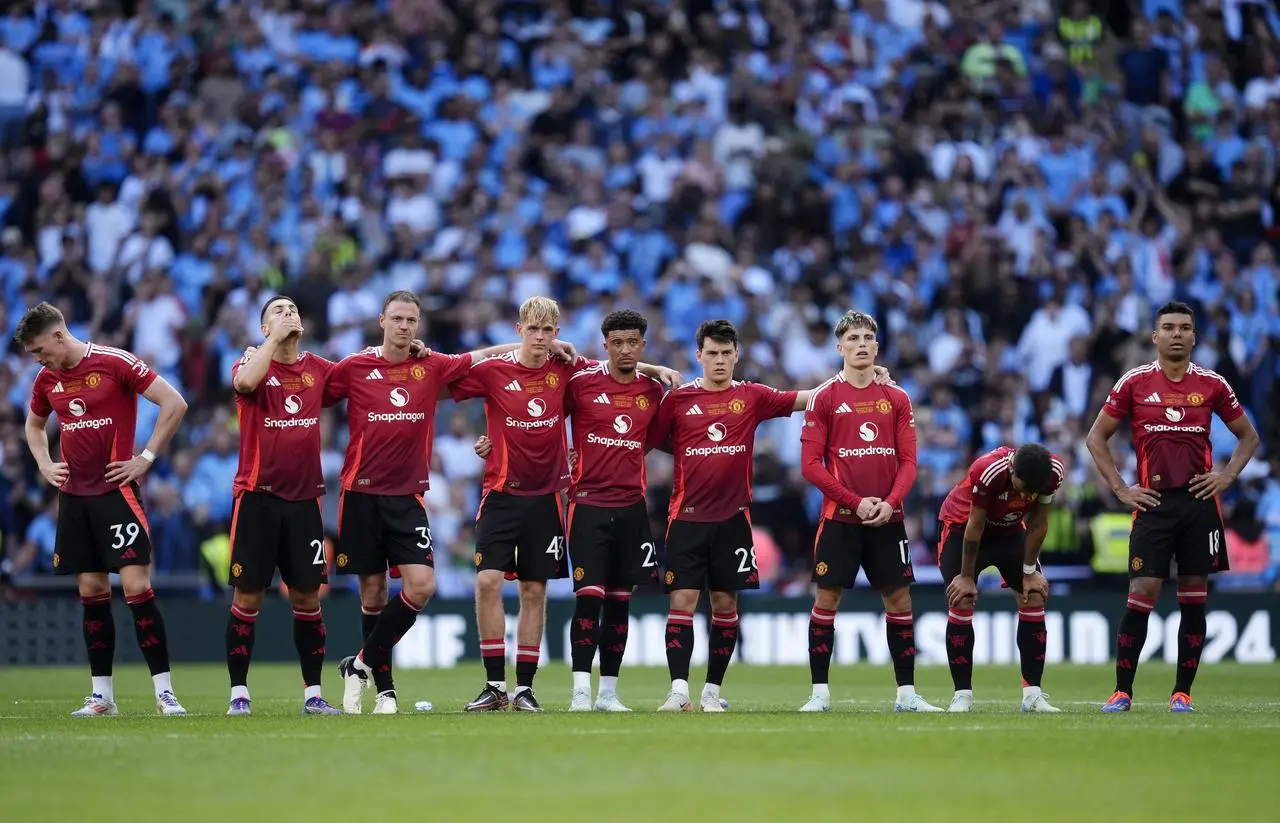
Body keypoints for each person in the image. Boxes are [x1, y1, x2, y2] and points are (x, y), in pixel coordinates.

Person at [452, 297, 674, 712]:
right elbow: (449, 379)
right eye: (532, 329)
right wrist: (489, 440)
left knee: (535, 590)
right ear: (519, 330)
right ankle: (494, 684)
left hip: (548, 497)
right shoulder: (494, 370)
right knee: (487, 582)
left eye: (547, 330)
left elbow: (614, 366)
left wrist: (654, 369)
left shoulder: (567, 370)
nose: (540, 337)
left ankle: (524, 689)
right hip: (500, 492)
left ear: (558, 333)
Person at [330, 291, 536, 714]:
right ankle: (385, 691)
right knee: (371, 592)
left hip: (407, 497)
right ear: (382, 320)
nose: (405, 326)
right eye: (398, 319)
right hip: (360, 495)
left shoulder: (430, 365)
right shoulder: (354, 367)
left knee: (422, 586)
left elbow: (478, 357)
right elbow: (312, 388)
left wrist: (531, 346)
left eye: (412, 320)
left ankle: (361, 664)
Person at [1086, 301, 1259, 713]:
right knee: (1141, 592)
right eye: (1169, 327)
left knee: (1193, 598)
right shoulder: (1134, 383)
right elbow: (1096, 438)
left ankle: (1182, 693)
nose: (1177, 334)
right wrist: (1122, 489)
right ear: (1155, 336)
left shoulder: (1213, 384)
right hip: (1153, 503)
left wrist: (1226, 476)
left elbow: (1248, 436)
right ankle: (1122, 691)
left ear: (1194, 336)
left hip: (1199, 502)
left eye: (1184, 327)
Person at [17, 301, 189, 716]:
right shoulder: (46, 380)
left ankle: (165, 693)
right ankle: (102, 697)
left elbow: (175, 403)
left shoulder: (114, 362)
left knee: (135, 588)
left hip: (117, 493)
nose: (40, 361)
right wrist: (43, 462)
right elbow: (34, 425)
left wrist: (145, 458)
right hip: (75, 498)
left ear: (59, 335)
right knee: (91, 590)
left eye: (41, 351)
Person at [649, 319, 805, 713]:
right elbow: (651, 439)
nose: (719, 360)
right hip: (686, 517)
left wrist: (857, 378)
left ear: (737, 354)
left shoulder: (752, 395)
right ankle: (679, 692)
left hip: (733, 520)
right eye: (711, 353)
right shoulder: (679, 399)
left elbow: (806, 398)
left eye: (725, 353)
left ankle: (712, 693)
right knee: (681, 602)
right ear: (698, 355)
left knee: (724, 605)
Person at [798, 311, 943, 713]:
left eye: (868, 338)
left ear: (877, 346)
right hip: (840, 520)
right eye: (853, 338)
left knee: (899, 602)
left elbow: (909, 462)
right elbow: (810, 465)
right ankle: (819, 694)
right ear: (839, 347)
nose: (861, 344)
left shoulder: (896, 397)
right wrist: (854, 501)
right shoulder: (824, 397)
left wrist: (890, 503)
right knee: (826, 601)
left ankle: (907, 695)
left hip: (887, 521)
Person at [224, 295, 341, 716]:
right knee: (249, 596)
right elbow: (244, 385)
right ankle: (239, 692)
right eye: (278, 310)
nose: (289, 312)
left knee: (308, 599)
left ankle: (314, 695)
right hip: (257, 498)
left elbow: (367, 379)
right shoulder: (251, 362)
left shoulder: (319, 369)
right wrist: (271, 343)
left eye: (293, 308)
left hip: (304, 502)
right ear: (263, 328)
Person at [938, 443, 1064, 713]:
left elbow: (1038, 523)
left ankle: (1032, 696)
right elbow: (975, 525)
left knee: (1034, 596)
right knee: (961, 600)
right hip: (963, 529)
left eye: (1032, 490)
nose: (1026, 494)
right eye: (1022, 486)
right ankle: (962, 696)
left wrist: (1029, 573)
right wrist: (967, 577)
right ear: (1012, 469)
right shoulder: (989, 470)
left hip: (1009, 532)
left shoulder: (1053, 472)